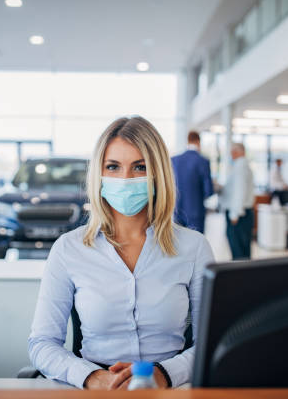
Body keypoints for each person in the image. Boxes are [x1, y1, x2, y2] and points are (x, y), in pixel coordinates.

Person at [28, 116, 215, 390]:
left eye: (139, 167)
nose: (125, 179)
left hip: (170, 387)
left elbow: (209, 344)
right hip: (96, 387)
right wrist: (92, 377)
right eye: (113, 167)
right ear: (99, 174)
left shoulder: (194, 248)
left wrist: (163, 374)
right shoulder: (69, 249)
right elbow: (41, 344)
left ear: (157, 174)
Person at [170, 131, 214, 233]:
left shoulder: (174, 160)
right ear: (198, 142)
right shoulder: (203, 161)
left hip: (177, 211)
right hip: (196, 213)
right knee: (197, 245)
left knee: (179, 244)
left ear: (188, 141)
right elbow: (208, 191)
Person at [222, 143, 255, 260]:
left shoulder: (240, 167)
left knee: (238, 250)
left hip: (238, 216)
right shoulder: (242, 166)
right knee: (243, 250)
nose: (231, 154)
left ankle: (240, 276)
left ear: (238, 152)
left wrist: (234, 214)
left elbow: (239, 192)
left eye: (232, 151)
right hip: (244, 213)